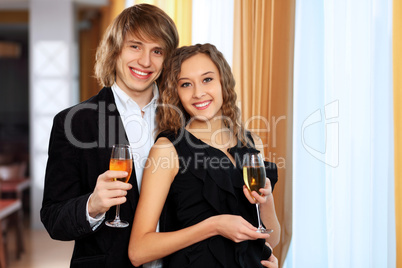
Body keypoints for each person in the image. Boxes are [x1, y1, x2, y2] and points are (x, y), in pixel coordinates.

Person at [40, 4, 179, 268]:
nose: (146, 61)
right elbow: (53, 218)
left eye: (157, 50)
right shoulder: (75, 122)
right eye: (135, 46)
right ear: (114, 50)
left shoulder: (183, 119)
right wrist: (92, 205)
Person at [128, 43, 281, 268]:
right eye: (186, 84)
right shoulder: (167, 149)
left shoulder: (252, 143)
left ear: (223, 82)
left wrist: (266, 201)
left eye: (207, 79)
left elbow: (272, 239)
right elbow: (138, 251)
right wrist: (215, 226)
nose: (198, 93)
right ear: (176, 92)